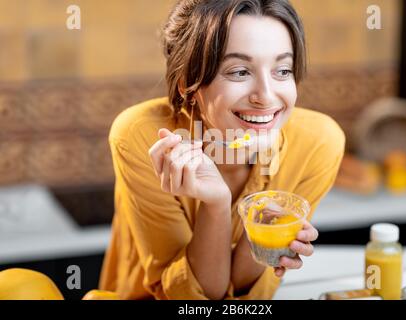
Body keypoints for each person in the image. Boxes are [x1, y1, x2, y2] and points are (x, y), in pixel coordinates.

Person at [99, 0, 345, 300]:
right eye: (240, 72)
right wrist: (216, 204)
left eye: (283, 70)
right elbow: (193, 297)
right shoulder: (141, 136)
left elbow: (240, 292)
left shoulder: (318, 143)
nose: (266, 97)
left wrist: (267, 239)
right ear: (185, 83)